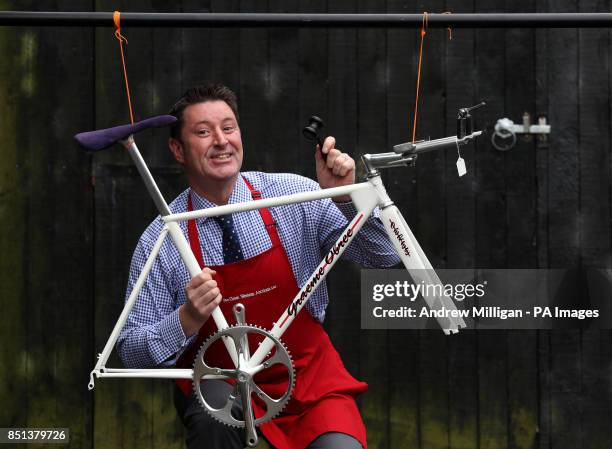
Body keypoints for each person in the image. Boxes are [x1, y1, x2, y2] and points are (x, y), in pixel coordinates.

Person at [117, 83, 400, 449]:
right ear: (177, 149)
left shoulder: (293, 197)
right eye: (203, 132)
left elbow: (384, 257)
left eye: (229, 127)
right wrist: (186, 318)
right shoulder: (163, 238)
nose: (221, 140)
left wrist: (347, 197)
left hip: (308, 381)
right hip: (224, 382)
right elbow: (130, 349)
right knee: (212, 416)